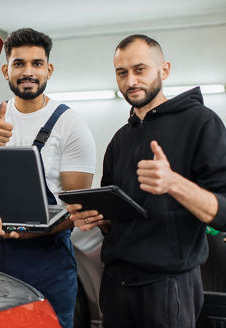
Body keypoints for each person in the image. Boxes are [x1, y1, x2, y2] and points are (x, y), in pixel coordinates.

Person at [68, 34, 226, 328]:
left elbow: (223, 212)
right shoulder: (120, 139)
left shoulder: (201, 123)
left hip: (168, 285)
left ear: (164, 70)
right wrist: (96, 218)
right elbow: (116, 217)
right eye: (122, 72)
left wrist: (173, 183)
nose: (130, 81)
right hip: (115, 284)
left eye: (140, 70)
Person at [0, 28, 96, 328]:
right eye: (19, 63)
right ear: (7, 69)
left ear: (49, 69)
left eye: (36, 63)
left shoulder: (71, 125)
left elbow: (77, 208)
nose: (28, 72)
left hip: (47, 261)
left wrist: (26, 231)